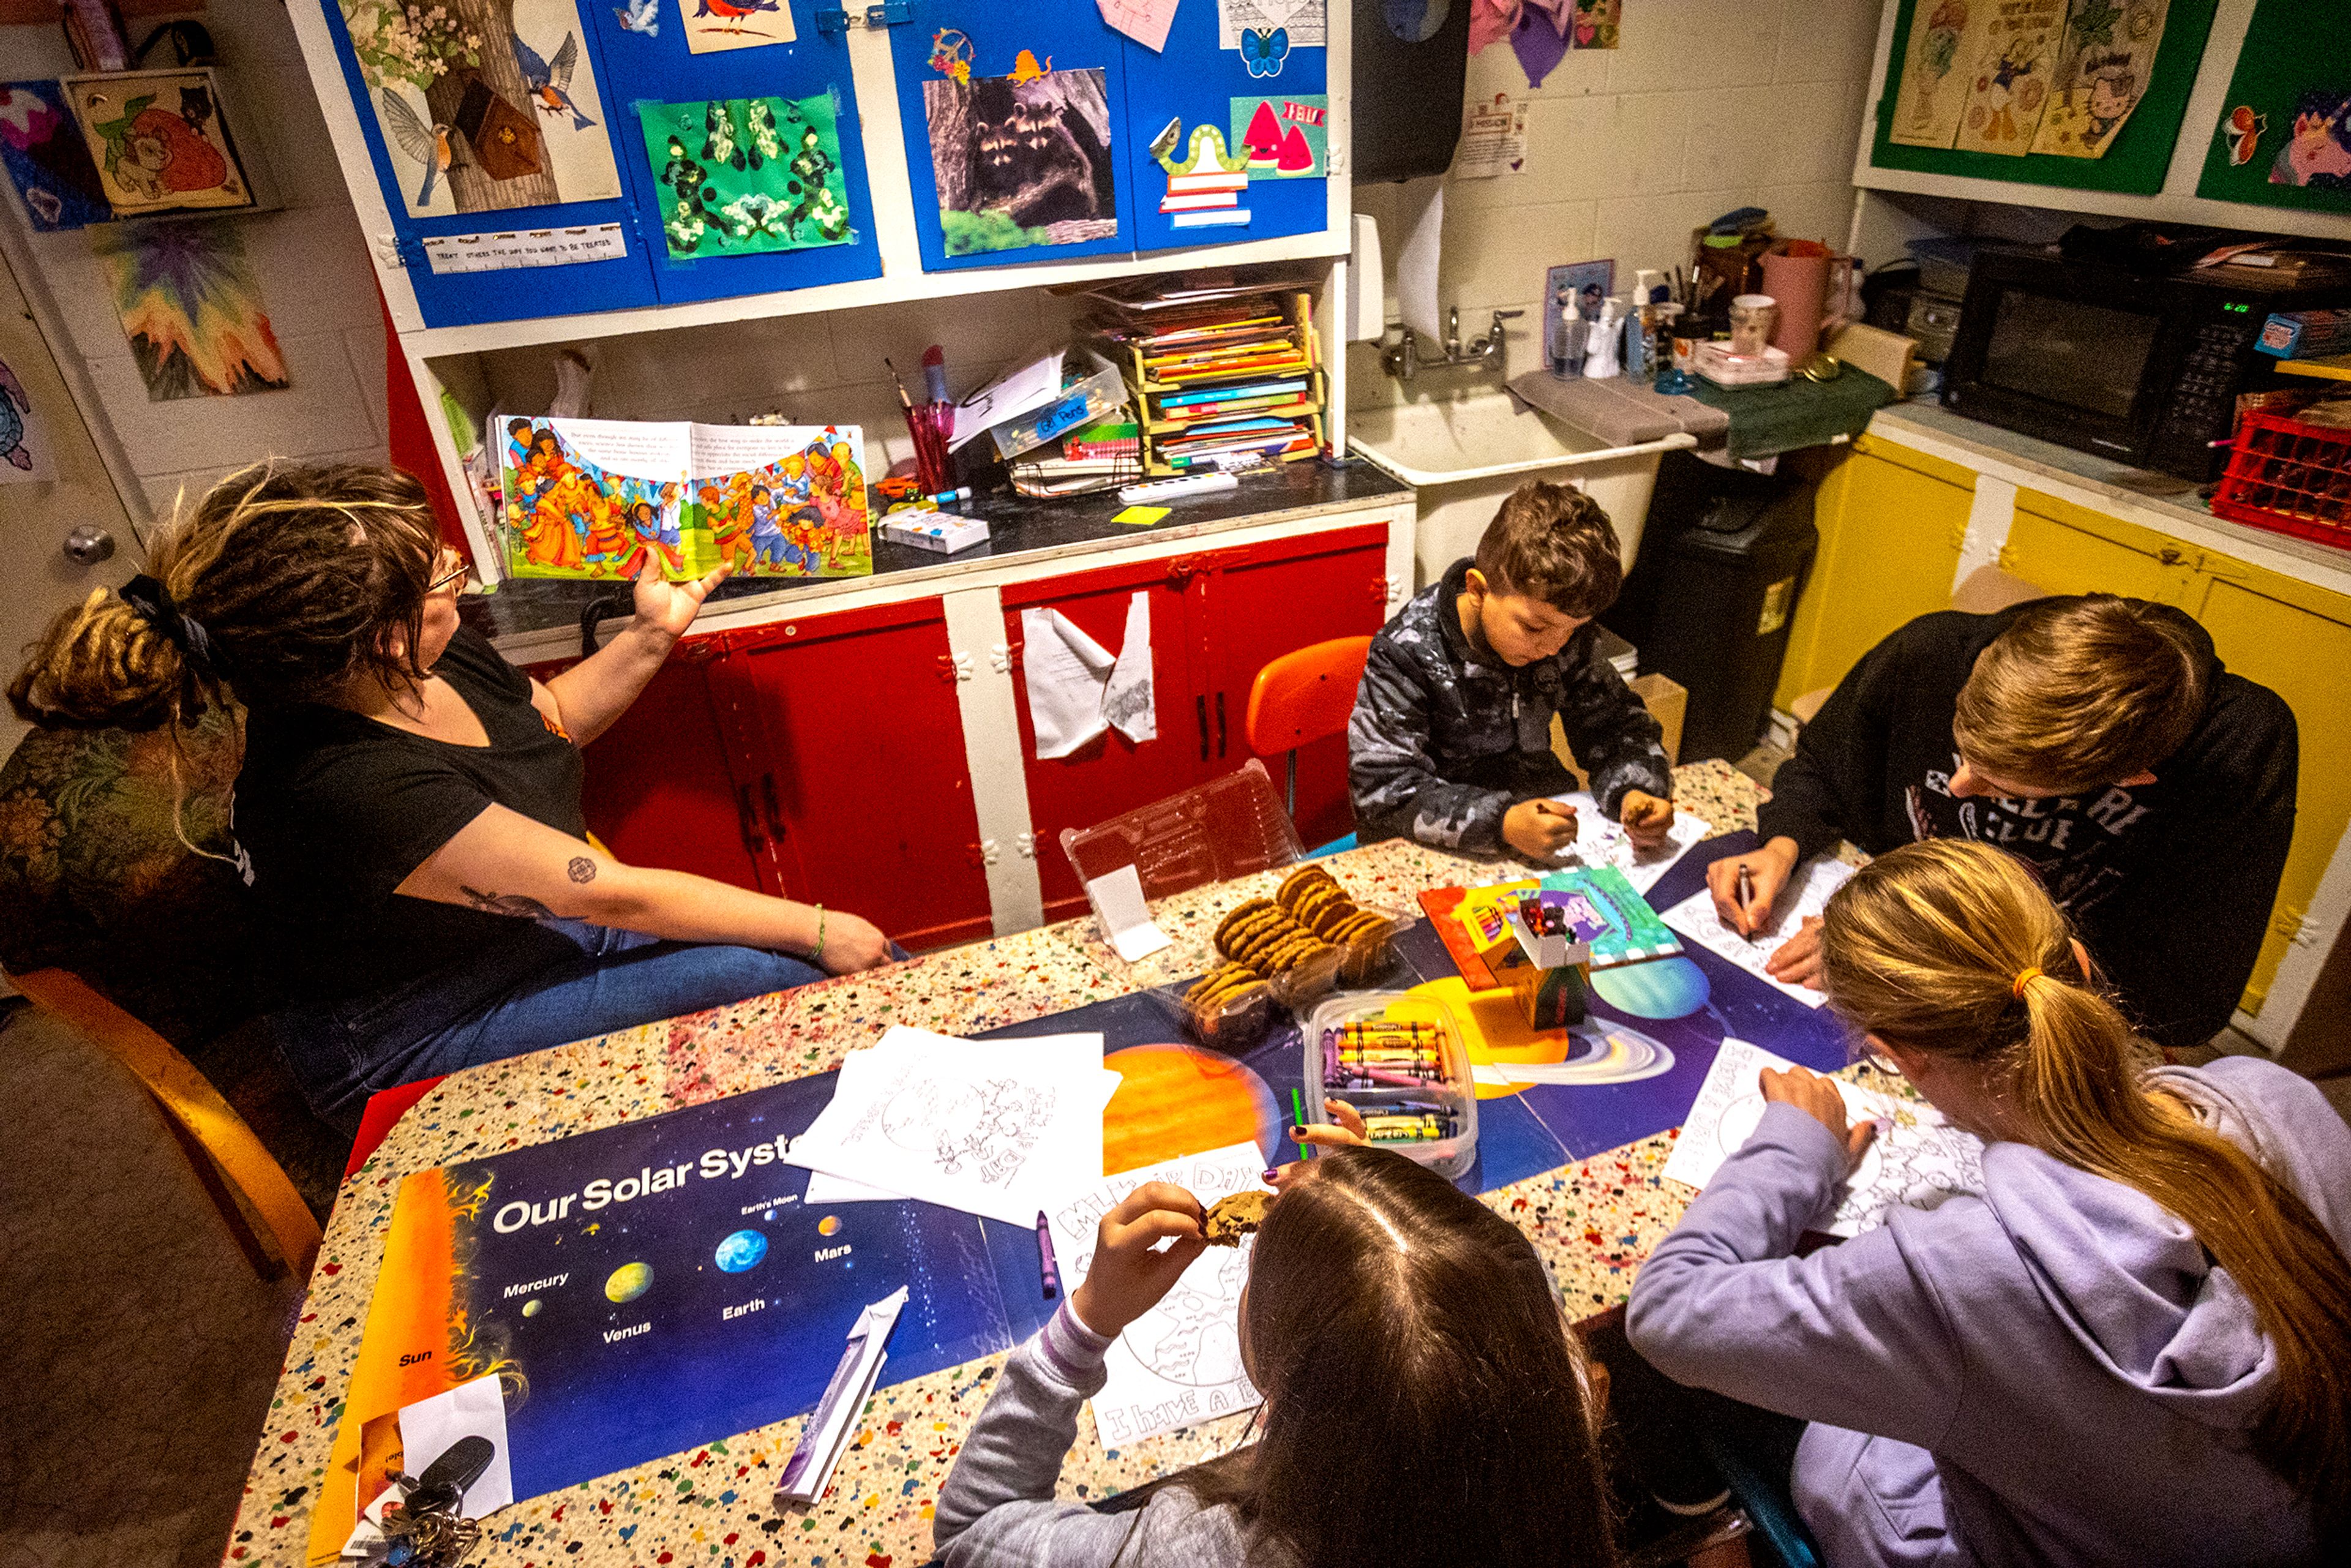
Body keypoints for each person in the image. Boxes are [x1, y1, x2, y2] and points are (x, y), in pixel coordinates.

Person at [7, 462, 894, 1133]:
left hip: (515, 937)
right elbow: (608, 890)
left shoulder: (423, 652)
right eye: (434, 574)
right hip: (404, 1030)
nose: (455, 569)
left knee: (789, 972)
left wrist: (651, 633)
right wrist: (817, 925)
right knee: (783, 971)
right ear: (375, 639)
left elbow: (543, 724)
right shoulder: (342, 785)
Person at [1631, 839, 2351, 1567]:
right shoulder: (2277, 1095)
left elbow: (1665, 1311)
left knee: (1801, 1441)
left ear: (1900, 1055)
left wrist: (1795, 1146)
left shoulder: (1960, 1272)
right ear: (2079, 964)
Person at [932, 1141, 1618, 1568]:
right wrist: (1397, 1222)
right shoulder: (1555, 1420)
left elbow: (971, 1530)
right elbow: (1518, 1302)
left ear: (1279, 1375)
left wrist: (1087, 1320)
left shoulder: (1203, 1554)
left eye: (1257, 1272)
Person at [1706, 593, 2295, 1050]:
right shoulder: (1933, 651)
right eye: (1962, 750)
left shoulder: (2239, 749)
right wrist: (1783, 842)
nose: (1959, 785)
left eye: (1997, 782)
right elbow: (1824, 764)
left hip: (2037, 1009)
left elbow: (2185, 1002)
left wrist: (1916, 946)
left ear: (2130, 777)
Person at [1349, 478, 1674, 863]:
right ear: (1478, 590)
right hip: (1432, 846)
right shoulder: (1406, 653)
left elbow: (1614, 725)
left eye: (1571, 630)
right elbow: (1384, 786)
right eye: (1535, 628)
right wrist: (1502, 823)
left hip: (1542, 825)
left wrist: (1634, 791)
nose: (1555, 646)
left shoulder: (1563, 632)